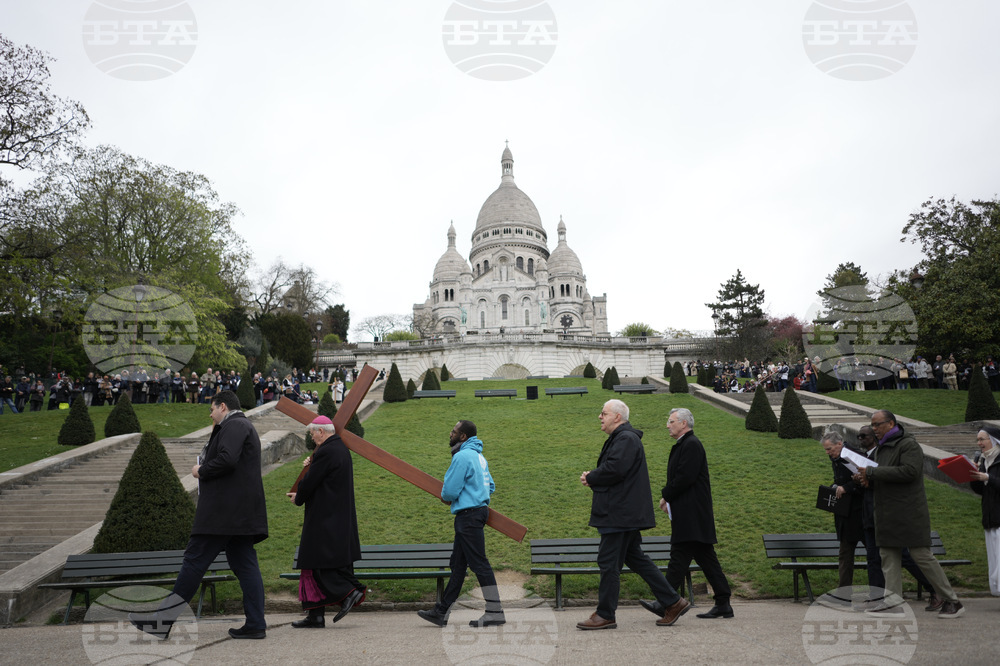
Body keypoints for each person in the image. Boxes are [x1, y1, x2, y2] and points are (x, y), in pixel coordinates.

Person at [130, 390, 268, 640]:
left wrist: (201, 470)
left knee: (194, 562)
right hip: (238, 514)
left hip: (222, 514)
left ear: (223, 406)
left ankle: (162, 622)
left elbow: (227, 460)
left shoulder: (235, 424)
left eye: (212, 409)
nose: (211, 414)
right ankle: (256, 623)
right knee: (246, 566)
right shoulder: (241, 425)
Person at [576, 399, 688, 630]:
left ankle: (605, 614)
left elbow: (615, 469)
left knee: (608, 563)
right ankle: (673, 601)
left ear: (617, 417)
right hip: (623, 512)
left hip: (618, 514)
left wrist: (591, 477)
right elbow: (618, 470)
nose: (600, 417)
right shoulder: (624, 438)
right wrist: (596, 476)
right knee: (635, 558)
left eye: (604, 413)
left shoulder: (625, 438)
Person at [855, 410, 964, 617]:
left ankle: (952, 600)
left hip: (908, 512)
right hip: (886, 512)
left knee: (922, 556)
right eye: (873, 425)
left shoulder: (908, 444)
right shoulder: (881, 448)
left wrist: (873, 473)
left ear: (891, 423)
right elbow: (885, 475)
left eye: (878, 425)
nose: (874, 429)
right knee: (888, 557)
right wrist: (868, 480)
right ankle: (893, 603)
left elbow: (910, 472)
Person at [418, 420, 505, 628]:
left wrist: (456, 496)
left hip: (468, 516)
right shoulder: (479, 456)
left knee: (480, 565)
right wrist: (476, 493)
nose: (450, 434)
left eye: (454, 431)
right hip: (477, 513)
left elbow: (449, 492)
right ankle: (441, 611)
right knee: (458, 565)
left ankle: (495, 611)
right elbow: (490, 485)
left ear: (463, 436)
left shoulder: (462, 456)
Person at [286, 416, 365, 628]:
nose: (311, 436)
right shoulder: (338, 449)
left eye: (313, 433)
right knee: (313, 565)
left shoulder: (327, 451)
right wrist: (314, 462)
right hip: (335, 515)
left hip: (324, 517)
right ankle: (315, 616)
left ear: (322, 431)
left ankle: (350, 593)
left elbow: (311, 481)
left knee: (317, 564)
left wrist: (298, 497)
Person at [656, 407, 734, 619]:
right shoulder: (687, 444)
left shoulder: (691, 444)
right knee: (706, 559)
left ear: (683, 423)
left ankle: (665, 601)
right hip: (692, 513)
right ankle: (723, 602)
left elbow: (684, 478)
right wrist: (668, 497)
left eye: (671, 421)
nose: (667, 425)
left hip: (691, 514)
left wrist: (666, 495)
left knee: (678, 556)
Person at [855, 426, 939, 610]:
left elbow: (902, 475)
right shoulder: (871, 456)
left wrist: (871, 475)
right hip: (871, 514)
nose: (860, 439)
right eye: (858, 436)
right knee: (874, 559)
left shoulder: (891, 452)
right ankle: (878, 598)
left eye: (865, 435)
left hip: (888, 513)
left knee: (906, 556)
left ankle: (935, 590)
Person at [820, 432, 865, 589]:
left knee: (875, 556)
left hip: (862, 513)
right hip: (844, 513)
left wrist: (846, 487)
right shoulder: (836, 457)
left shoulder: (855, 456)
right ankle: (844, 593)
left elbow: (866, 481)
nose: (827, 453)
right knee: (845, 555)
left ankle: (880, 592)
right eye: (826, 450)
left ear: (839, 444)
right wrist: (835, 487)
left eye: (829, 449)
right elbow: (841, 479)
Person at [968, 425, 1000, 597]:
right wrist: (974, 476)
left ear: (993, 441)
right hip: (990, 516)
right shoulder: (984, 461)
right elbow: (981, 491)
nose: (979, 443)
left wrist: (988, 477)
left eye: (982, 439)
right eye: (978, 440)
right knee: (994, 559)